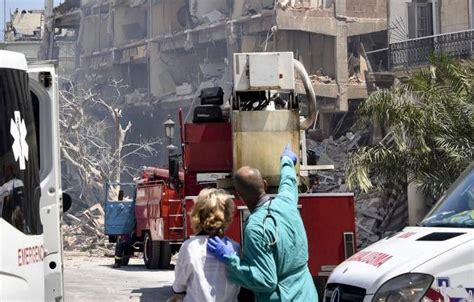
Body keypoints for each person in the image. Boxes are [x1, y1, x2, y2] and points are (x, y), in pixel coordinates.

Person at [207, 144, 318, 301]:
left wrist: (231, 260)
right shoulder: (286, 203)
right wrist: (286, 160)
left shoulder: (255, 228)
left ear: (238, 195)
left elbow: (265, 280)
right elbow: (288, 181)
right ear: (265, 185)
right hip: (308, 294)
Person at [169, 188, 240, 302]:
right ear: (227, 216)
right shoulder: (234, 247)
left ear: (197, 215)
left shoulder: (190, 247)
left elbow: (178, 286)